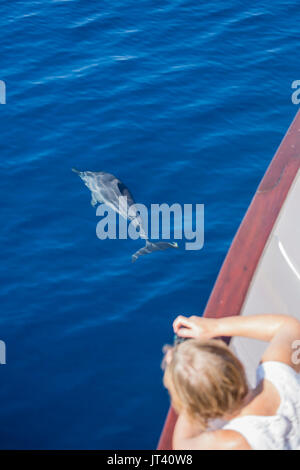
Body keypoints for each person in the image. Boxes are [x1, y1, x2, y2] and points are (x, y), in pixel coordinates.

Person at [162, 314, 300, 450]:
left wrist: (188, 395)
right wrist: (215, 326)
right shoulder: (281, 374)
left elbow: (183, 445)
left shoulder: (234, 442)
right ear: (240, 364)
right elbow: (289, 327)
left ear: (198, 411)